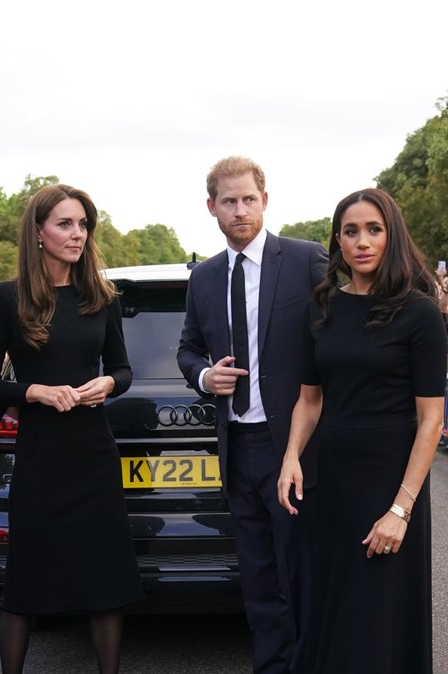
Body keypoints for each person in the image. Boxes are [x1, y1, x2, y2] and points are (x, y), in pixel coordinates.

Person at [0, 184, 141, 674]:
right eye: (65, 224)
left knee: (104, 583)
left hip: (93, 455)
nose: (77, 234)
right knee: (25, 584)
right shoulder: (7, 298)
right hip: (42, 457)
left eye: (83, 224)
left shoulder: (101, 296)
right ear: (39, 233)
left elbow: (124, 370)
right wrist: (36, 392)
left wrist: (108, 382)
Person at [276, 188, 443, 672]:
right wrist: (291, 457)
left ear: (392, 236)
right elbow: (310, 399)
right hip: (331, 479)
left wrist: (400, 509)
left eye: (374, 229)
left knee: (379, 613)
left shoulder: (419, 312)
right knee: (332, 603)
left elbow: (431, 419)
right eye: (351, 231)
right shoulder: (323, 305)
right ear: (338, 241)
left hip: (391, 479)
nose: (362, 241)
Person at [177, 156, 327, 673]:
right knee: (259, 576)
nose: (239, 210)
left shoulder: (307, 261)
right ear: (211, 207)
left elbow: (339, 341)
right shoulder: (204, 277)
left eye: (248, 199)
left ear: (265, 199)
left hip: (294, 448)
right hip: (237, 446)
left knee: (300, 572)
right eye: (228, 201)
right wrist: (203, 377)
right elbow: (188, 349)